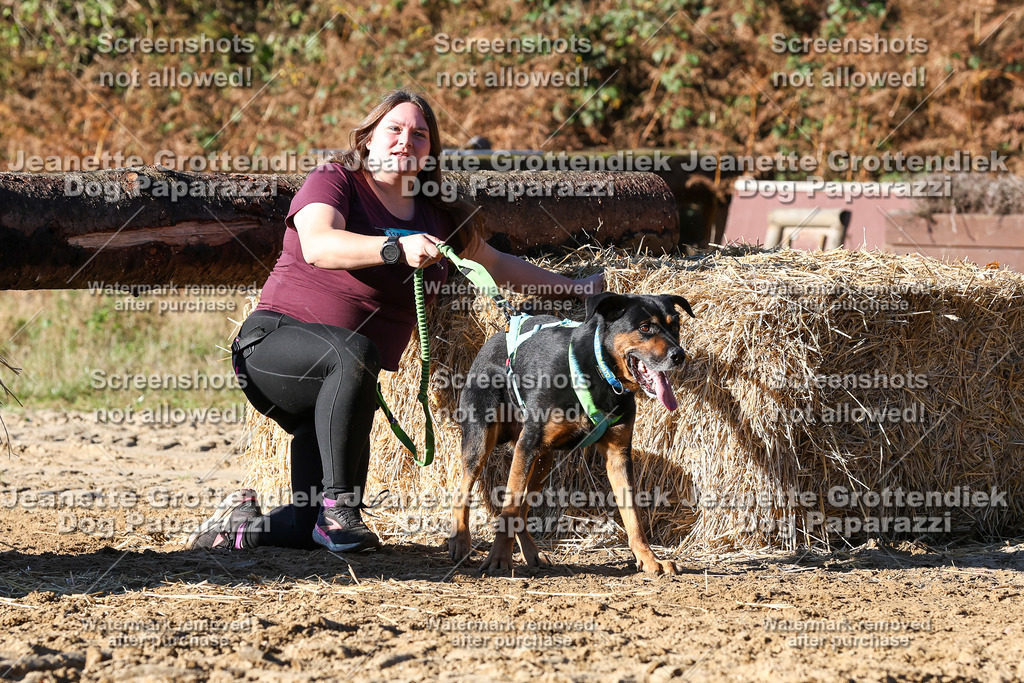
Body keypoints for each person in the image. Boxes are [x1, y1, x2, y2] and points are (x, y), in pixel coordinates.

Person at [186, 89, 602, 553]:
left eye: (420, 135)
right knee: (356, 356)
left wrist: (578, 288)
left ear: (430, 153)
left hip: (339, 388)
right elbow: (318, 245)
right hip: (272, 349)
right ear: (368, 139)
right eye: (395, 129)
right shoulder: (335, 179)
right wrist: (395, 248)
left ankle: (240, 527)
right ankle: (341, 510)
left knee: (306, 523)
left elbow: (498, 265)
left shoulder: (438, 215)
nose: (407, 140)